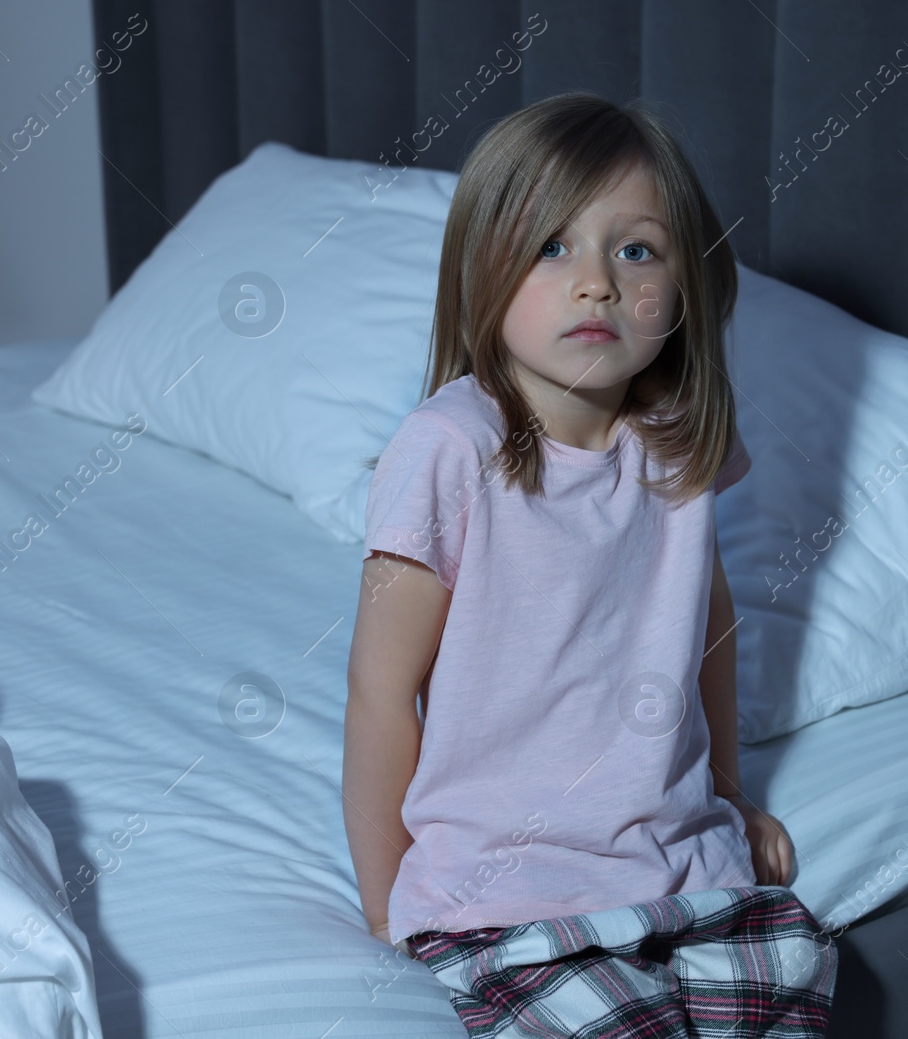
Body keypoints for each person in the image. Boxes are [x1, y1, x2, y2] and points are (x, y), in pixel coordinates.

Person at [342, 91, 834, 1035]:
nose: (598, 282)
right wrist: (386, 903)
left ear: (683, 288)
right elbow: (378, 689)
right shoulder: (449, 448)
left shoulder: (676, 442)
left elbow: (708, 628)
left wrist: (728, 793)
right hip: (504, 884)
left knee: (794, 973)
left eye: (636, 249)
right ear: (482, 269)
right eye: (551, 246)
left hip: (679, 859)